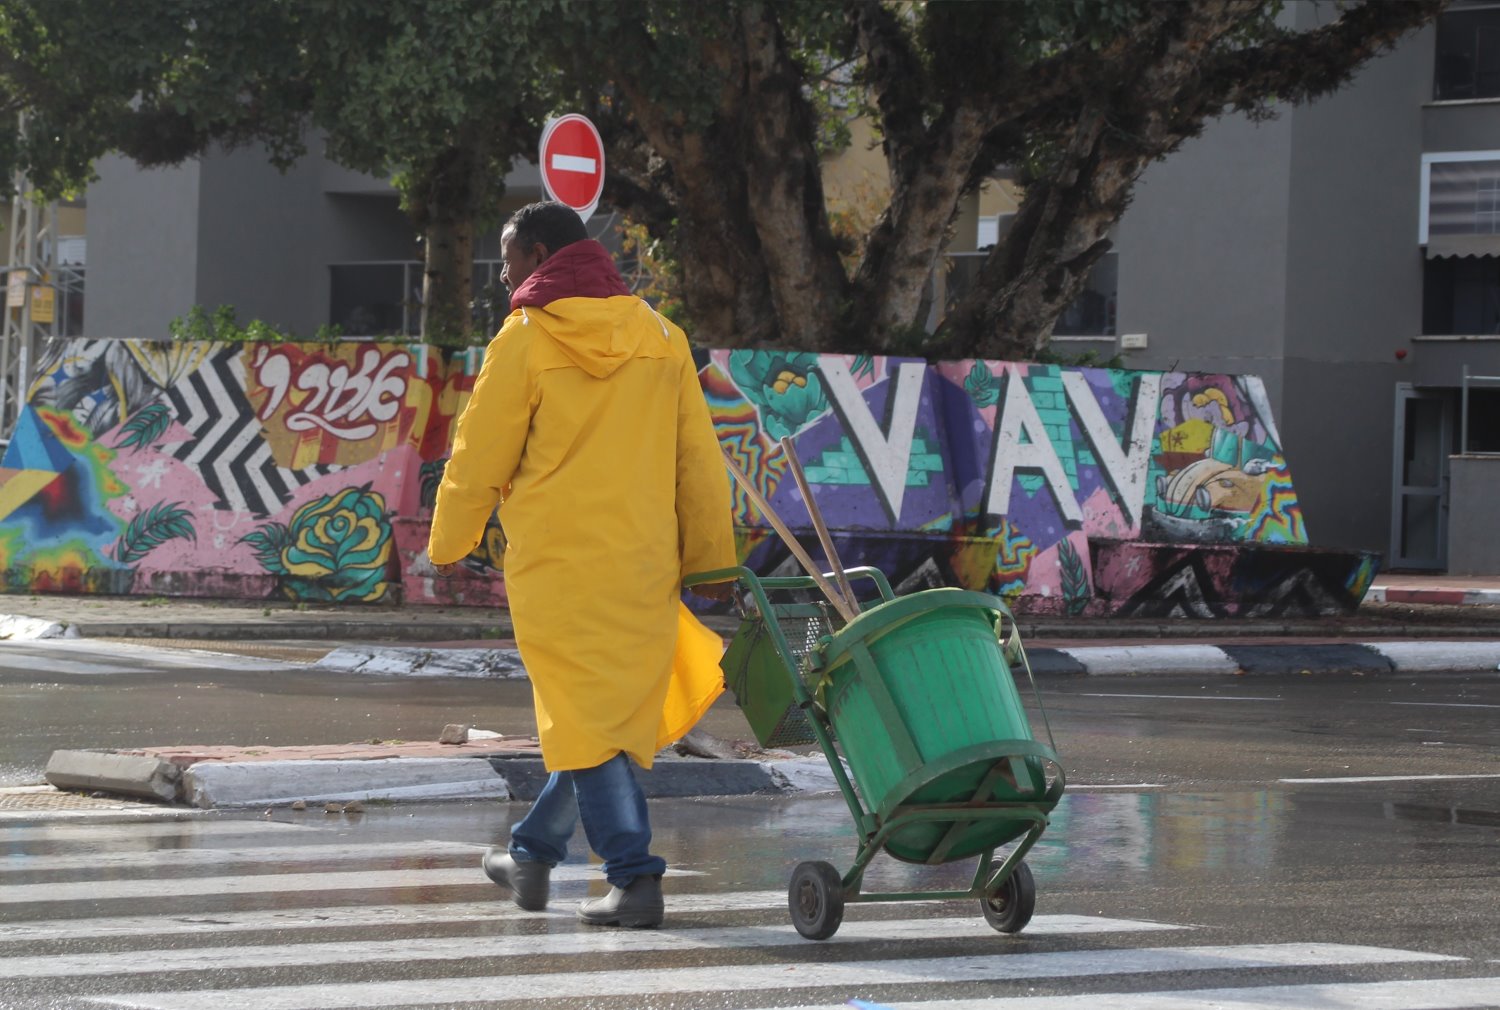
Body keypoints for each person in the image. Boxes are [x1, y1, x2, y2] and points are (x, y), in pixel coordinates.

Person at [427, 200, 735, 929]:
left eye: (506, 260)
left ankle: (633, 876)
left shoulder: (526, 339)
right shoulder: (663, 338)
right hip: (644, 568)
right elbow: (700, 464)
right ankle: (532, 855)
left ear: (538, 255)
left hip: (559, 570)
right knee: (599, 718)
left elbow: (479, 455)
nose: (502, 277)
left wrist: (447, 543)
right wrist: (712, 560)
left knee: (586, 720)